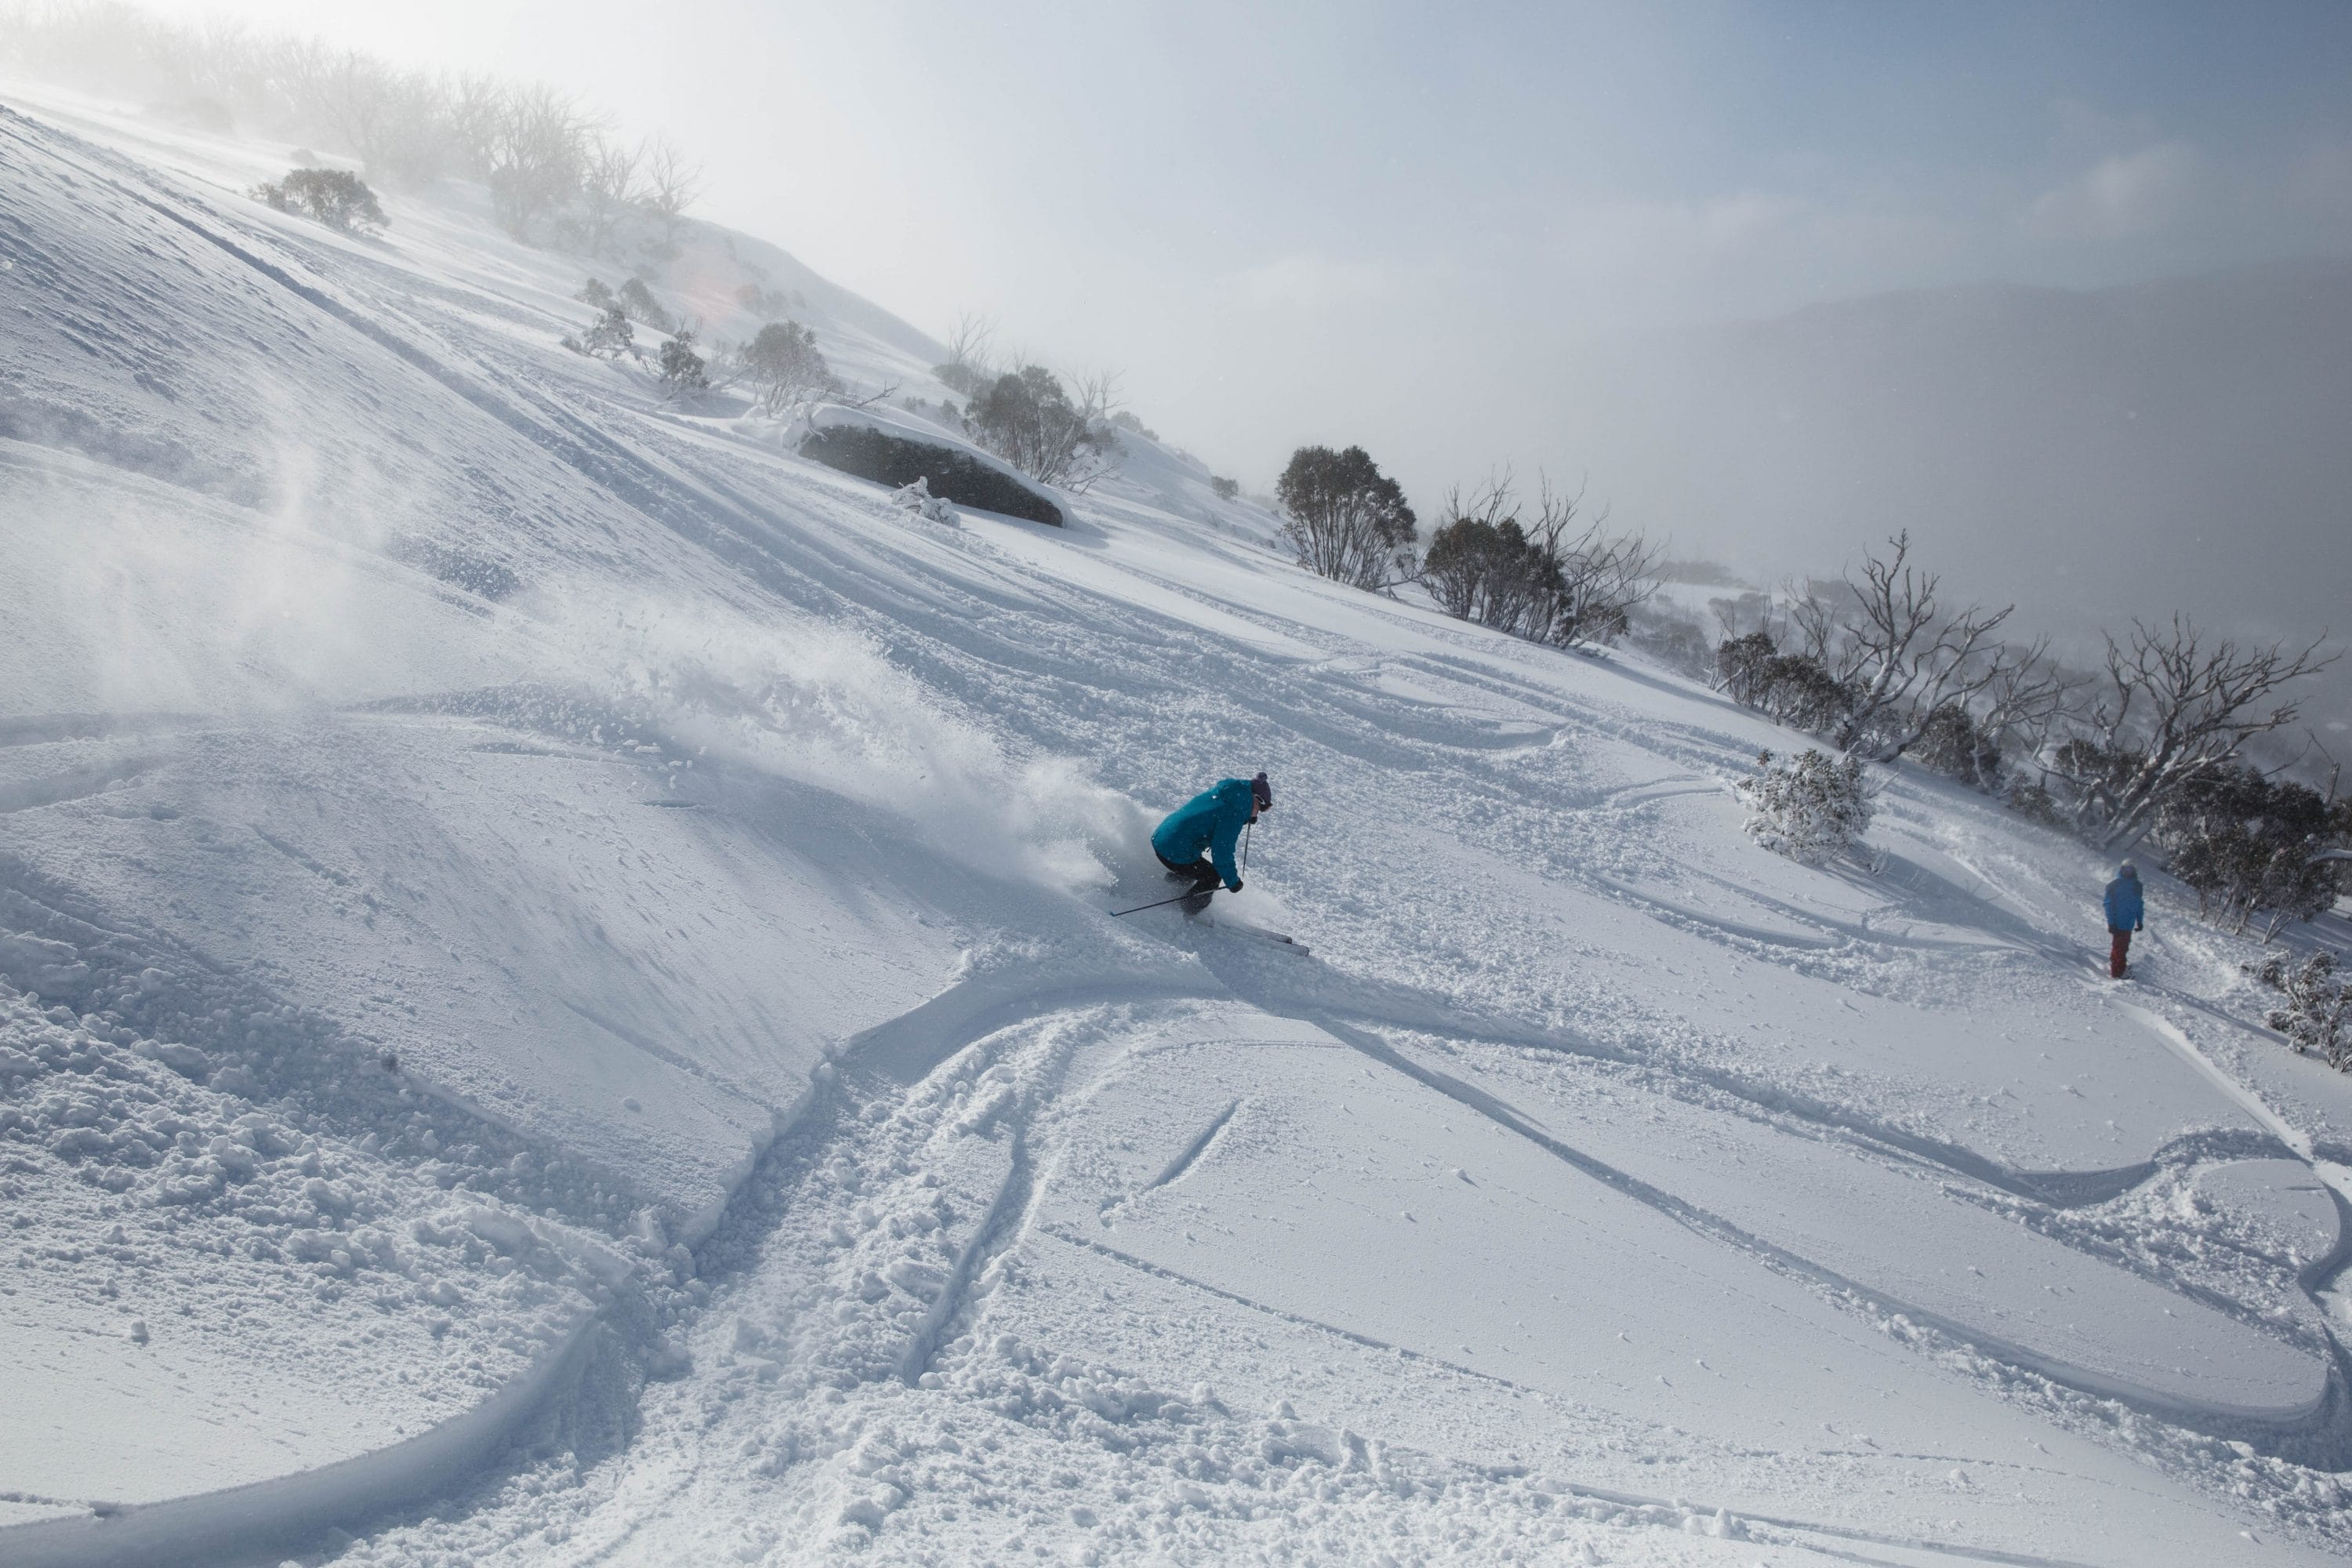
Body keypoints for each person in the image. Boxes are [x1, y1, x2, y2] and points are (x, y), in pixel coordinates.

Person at [1152, 771, 1272, 914]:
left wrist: (1246, 816)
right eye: (1259, 809)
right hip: (1175, 850)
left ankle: (1172, 884)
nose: (1257, 814)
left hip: (1162, 837)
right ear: (1255, 799)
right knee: (1213, 876)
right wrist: (1233, 882)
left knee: (1196, 866)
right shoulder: (1233, 814)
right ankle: (1186, 909)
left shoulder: (1227, 794)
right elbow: (1222, 852)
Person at [2103, 861, 2145, 978]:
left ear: (2134, 871)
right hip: (2118, 922)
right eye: (2125, 869)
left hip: (2129, 923)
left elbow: (2139, 904)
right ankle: (2118, 973)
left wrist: (2140, 921)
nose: (2128, 872)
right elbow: (2108, 905)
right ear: (2121, 870)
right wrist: (2111, 923)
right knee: (2120, 948)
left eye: (2130, 870)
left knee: (2123, 947)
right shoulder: (2114, 885)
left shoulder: (2137, 886)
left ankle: (2117, 966)